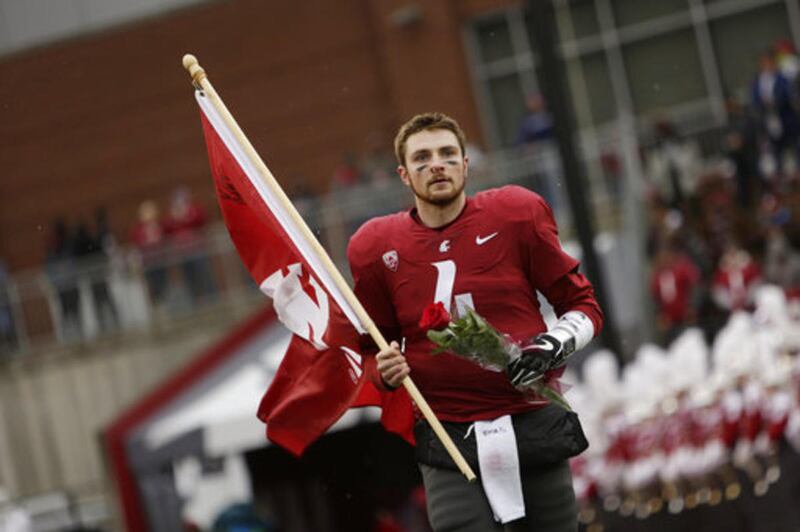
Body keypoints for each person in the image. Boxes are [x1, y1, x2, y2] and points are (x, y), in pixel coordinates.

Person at [347, 112, 604, 531]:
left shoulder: (516, 214)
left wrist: (551, 344)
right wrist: (387, 371)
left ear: (466, 164)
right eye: (422, 158)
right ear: (404, 175)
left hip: (531, 418)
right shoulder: (376, 246)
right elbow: (370, 352)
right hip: (449, 433)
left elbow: (584, 304)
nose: (437, 165)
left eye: (448, 154)